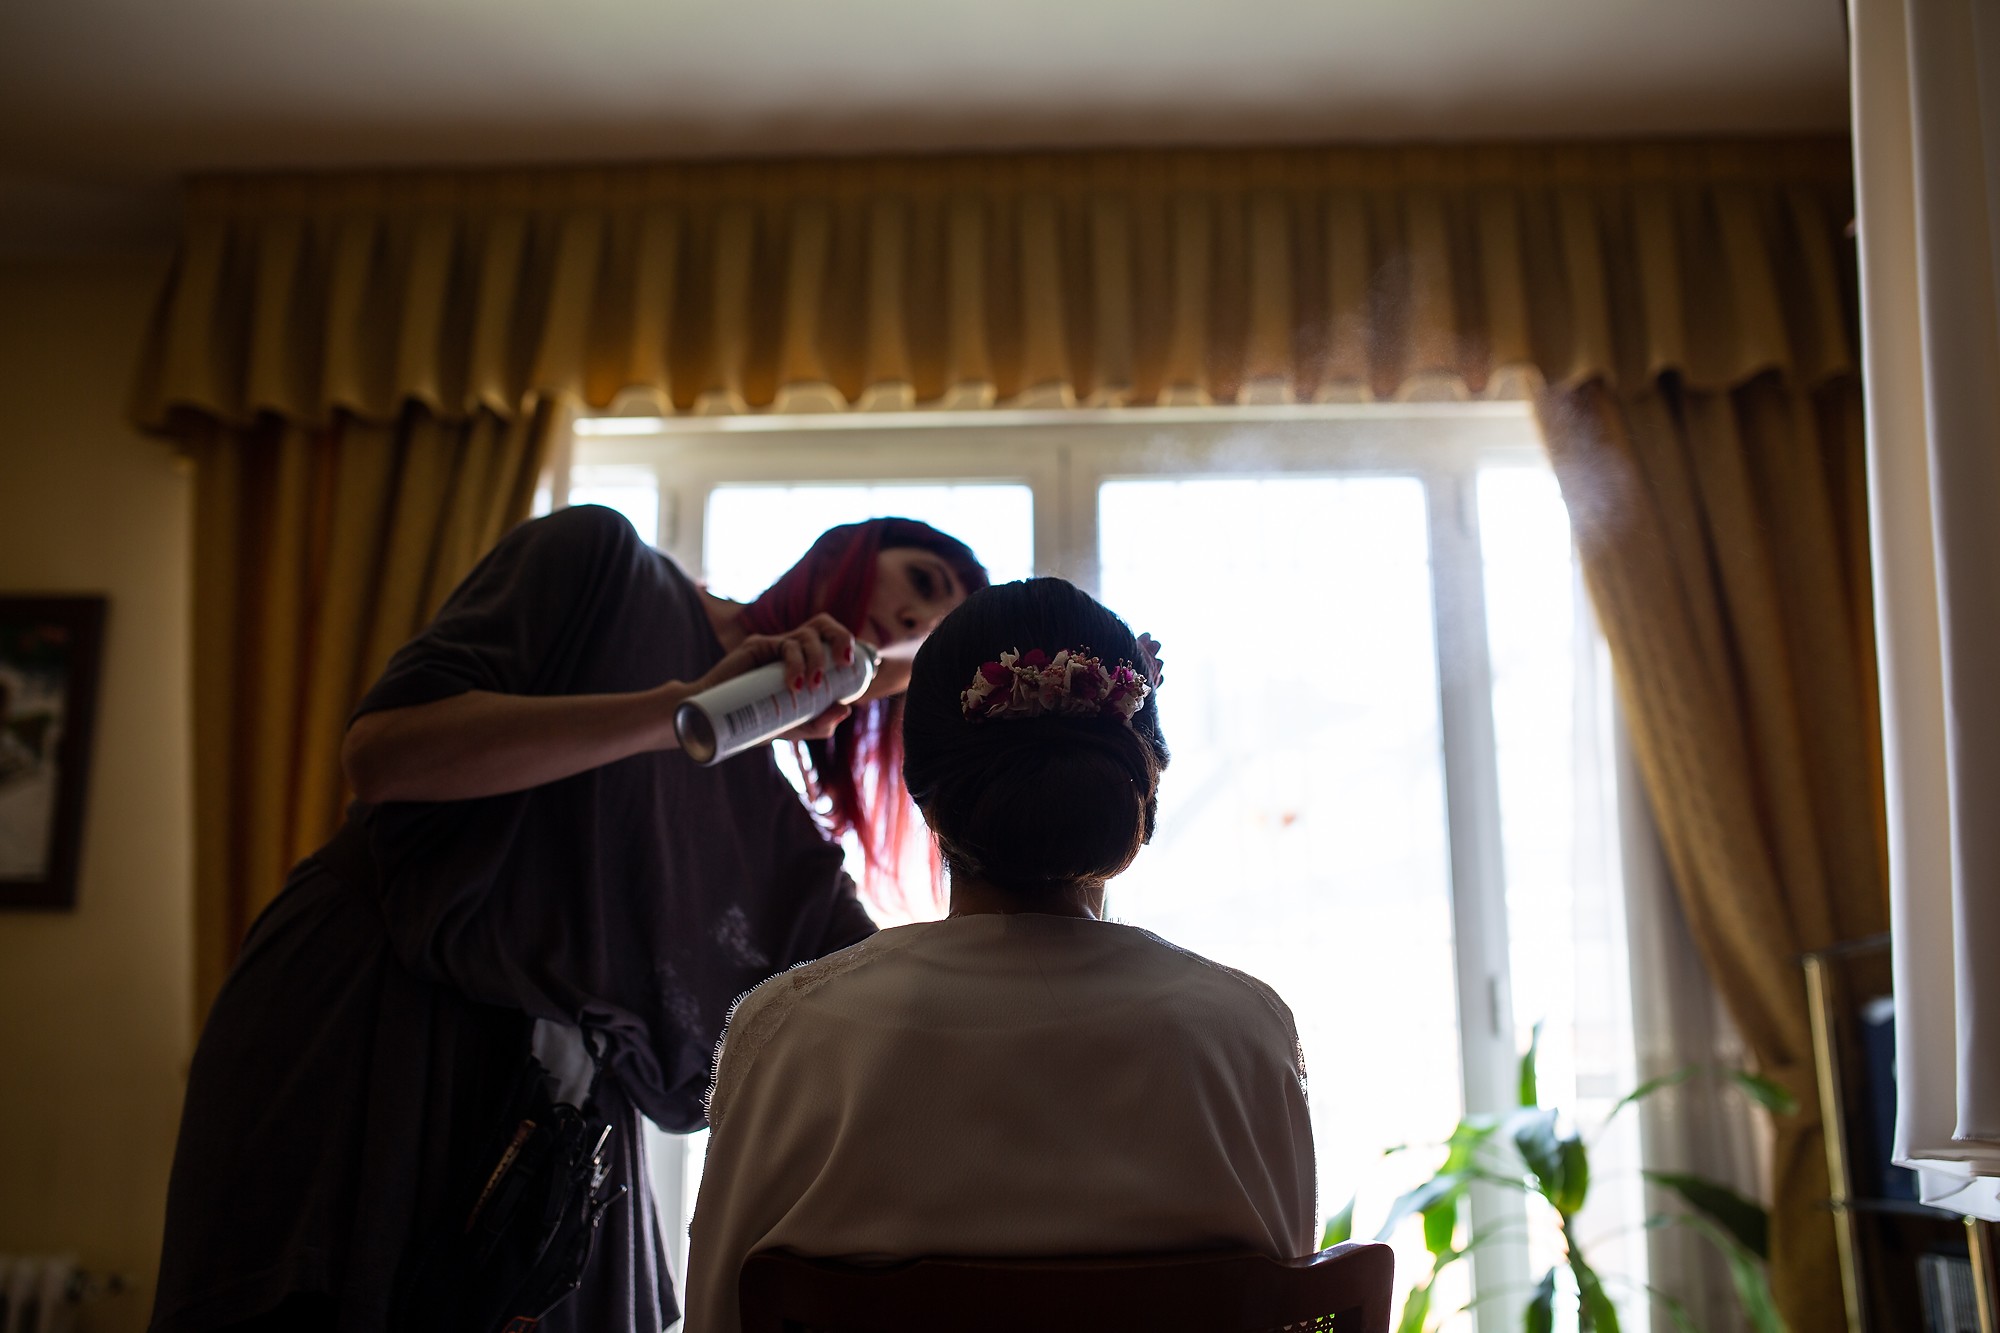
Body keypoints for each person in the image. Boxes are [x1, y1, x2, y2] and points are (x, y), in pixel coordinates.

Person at [147, 503, 988, 1333]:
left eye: (935, 636)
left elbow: (901, 1010)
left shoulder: (781, 840)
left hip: (549, 1136)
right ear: (847, 549)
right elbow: (382, 755)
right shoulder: (604, 560)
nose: (918, 622)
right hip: (370, 1022)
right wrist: (680, 710)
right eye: (923, 582)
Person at [684, 577, 1318, 1333]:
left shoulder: (791, 1034)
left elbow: (717, 1316)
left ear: (922, 790)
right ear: (1142, 780)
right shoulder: (1246, 1035)